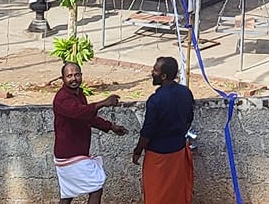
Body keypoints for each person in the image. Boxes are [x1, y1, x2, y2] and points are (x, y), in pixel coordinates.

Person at [53, 62, 128, 203]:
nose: (74, 78)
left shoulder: (79, 94)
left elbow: (88, 117)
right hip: (70, 155)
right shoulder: (62, 98)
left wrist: (111, 126)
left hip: (73, 153)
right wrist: (103, 103)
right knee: (95, 188)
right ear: (62, 79)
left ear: (81, 75)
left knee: (68, 194)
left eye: (76, 75)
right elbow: (79, 112)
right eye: (69, 76)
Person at [134, 56, 194, 204]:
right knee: (175, 193)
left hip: (158, 155)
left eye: (155, 70)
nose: (152, 72)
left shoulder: (155, 100)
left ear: (164, 76)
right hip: (178, 150)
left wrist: (137, 151)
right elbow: (189, 119)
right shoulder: (185, 92)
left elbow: (147, 132)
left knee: (156, 193)